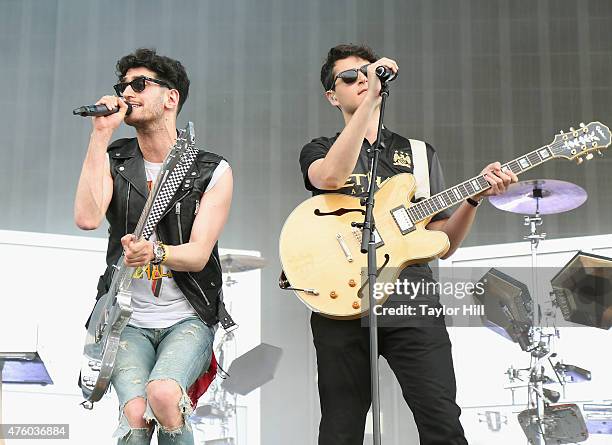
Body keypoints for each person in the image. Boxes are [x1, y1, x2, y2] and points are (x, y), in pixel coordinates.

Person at [299, 44, 518, 445]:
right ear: (333, 96)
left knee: (441, 420)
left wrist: (473, 199)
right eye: (350, 77)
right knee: (340, 427)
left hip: (410, 295)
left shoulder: (418, 154)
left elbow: (443, 243)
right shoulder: (318, 149)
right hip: (342, 297)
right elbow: (328, 177)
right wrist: (369, 106)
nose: (363, 79)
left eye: (368, 72)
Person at [74, 48, 234, 445]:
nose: (127, 92)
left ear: (171, 97)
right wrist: (100, 135)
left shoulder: (211, 169)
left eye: (139, 84)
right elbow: (87, 218)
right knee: (133, 415)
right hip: (125, 317)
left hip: (187, 316)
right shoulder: (116, 157)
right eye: (123, 85)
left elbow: (198, 255)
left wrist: (157, 253)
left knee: (162, 394)